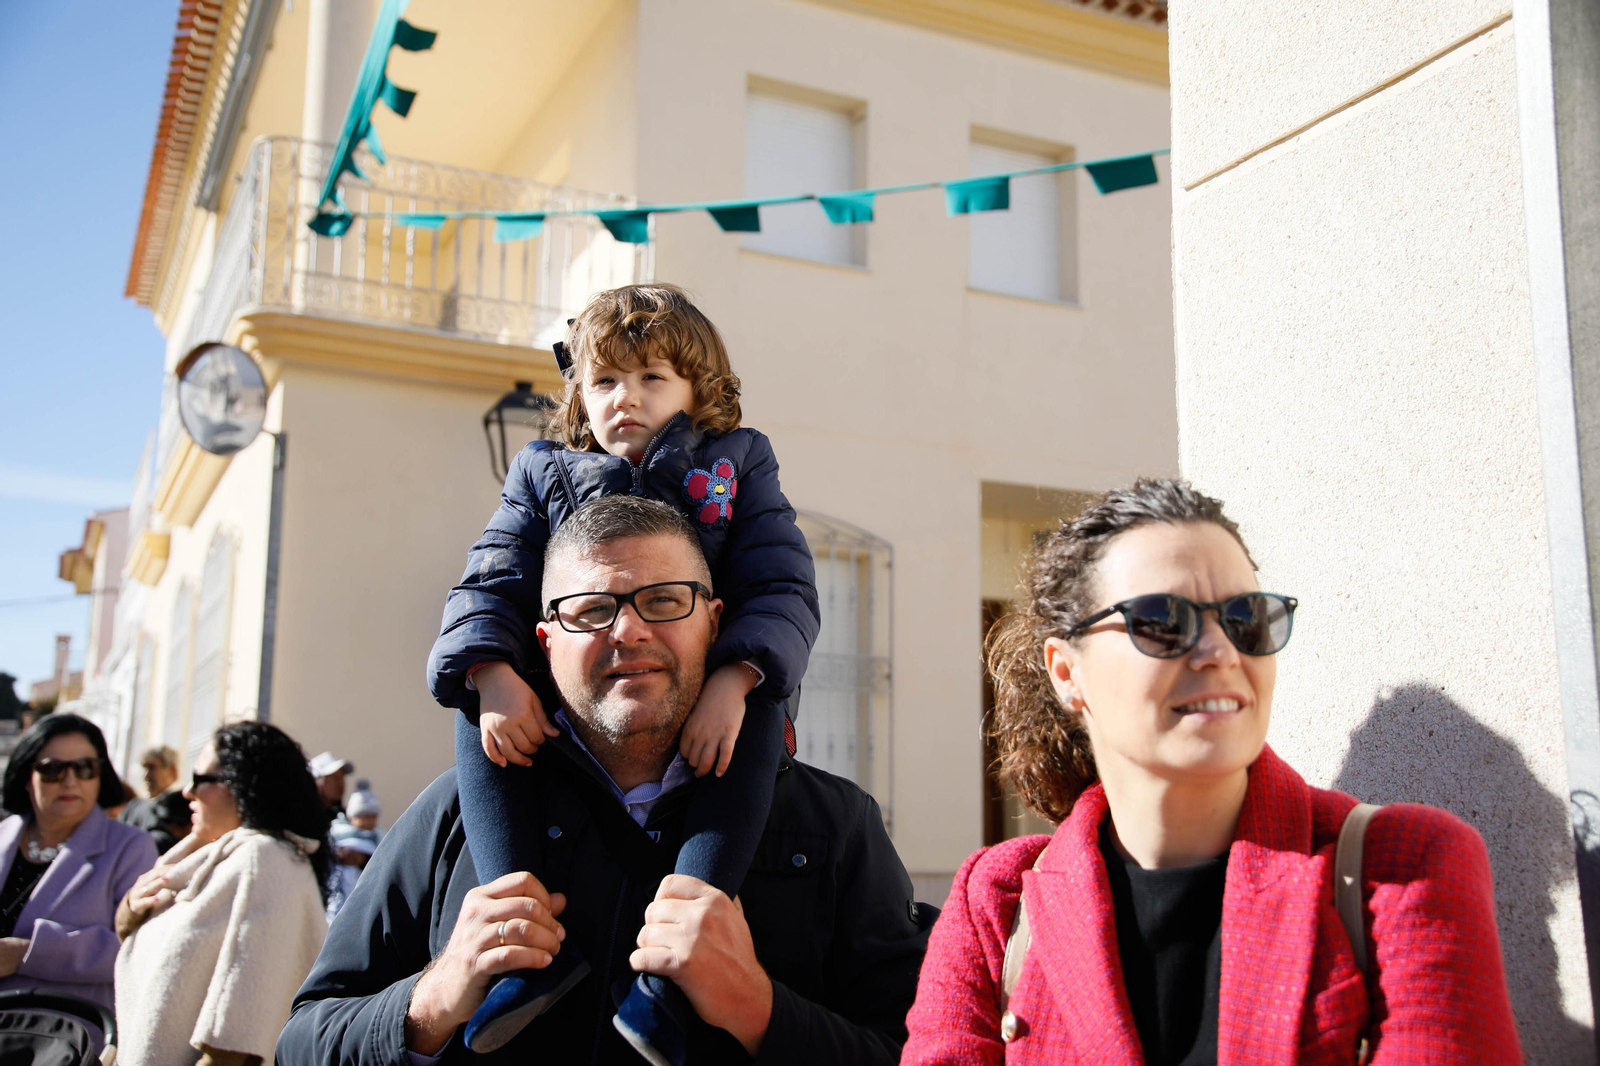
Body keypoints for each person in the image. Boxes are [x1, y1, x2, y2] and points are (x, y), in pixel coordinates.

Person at [283, 497, 925, 1066]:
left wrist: (759, 1011)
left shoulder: (833, 825)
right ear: (544, 642)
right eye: (589, 611)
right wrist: (434, 998)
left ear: (716, 623)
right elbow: (304, 1041)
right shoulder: (455, 814)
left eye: (665, 601)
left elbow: (918, 1051)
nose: (628, 630)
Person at [900, 479, 1522, 1065]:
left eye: (1245, 618)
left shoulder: (1402, 867)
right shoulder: (996, 903)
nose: (1222, 652)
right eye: (1165, 622)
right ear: (1067, 673)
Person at [426, 284, 820, 1059]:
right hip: (579, 698)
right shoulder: (544, 471)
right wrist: (493, 674)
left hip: (716, 685)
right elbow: (489, 582)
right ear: (579, 391)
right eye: (604, 381)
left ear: (697, 389)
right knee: (477, 712)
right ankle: (524, 954)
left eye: (651, 379)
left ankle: (672, 979)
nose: (625, 400)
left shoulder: (737, 464)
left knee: (757, 730)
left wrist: (734, 679)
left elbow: (783, 586)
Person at [114, 722, 332, 1066]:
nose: (187, 791)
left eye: (201, 780)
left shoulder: (267, 860)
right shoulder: (212, 856)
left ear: (244, 787)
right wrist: (130, 908)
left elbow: (239, 1039)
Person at [0, 713, 156, 1013]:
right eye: (52, 769)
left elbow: (138, 948)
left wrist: (26, 952)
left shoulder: (131, 847)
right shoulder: (4, 834)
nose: (70, 781)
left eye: (85, 768)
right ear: (25, 776)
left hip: (64, 1038)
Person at [325, 780, 384, 921]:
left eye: (373, 817)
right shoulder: (336, 832)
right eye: (364, 816)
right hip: (339, 892)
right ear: (352, 817)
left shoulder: (379, 837)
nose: (370, 821)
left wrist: (363, 859)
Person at [120, 744, 191, 853]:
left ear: (171, 769)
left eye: (152, 767)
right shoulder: (133, 807)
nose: (146, 775)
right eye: (144, 768)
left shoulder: (184, 804)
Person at [308, 750, 354, 817]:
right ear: (317, 782)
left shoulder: (348, 817)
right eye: (334, 778)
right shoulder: (306, 817)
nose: (340, 783)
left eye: (341, 777)